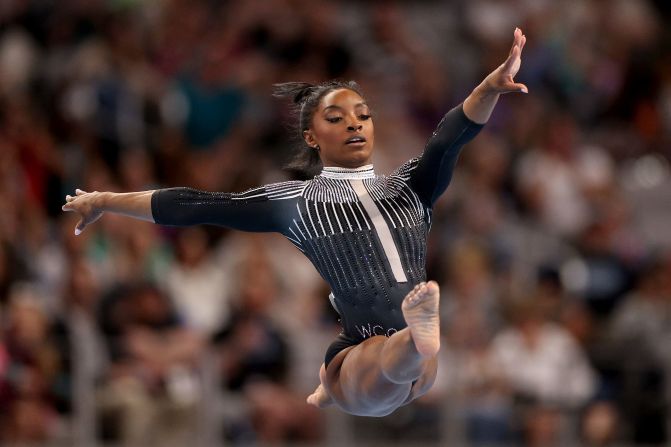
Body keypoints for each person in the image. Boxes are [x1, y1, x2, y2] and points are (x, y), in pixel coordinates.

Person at [63, 28, 528, 417]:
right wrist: (107, 198)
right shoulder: (297, 200)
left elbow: (449, 136)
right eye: (336, 117)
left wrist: (488, 88)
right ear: (311, 135)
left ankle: (407, 340)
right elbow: (197, 204)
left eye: (363, 115)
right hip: (359, 351)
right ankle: (403, 341)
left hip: (405, 363)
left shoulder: (409, 184)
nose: (354, 124)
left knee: (407, 371)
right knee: (382, 368)